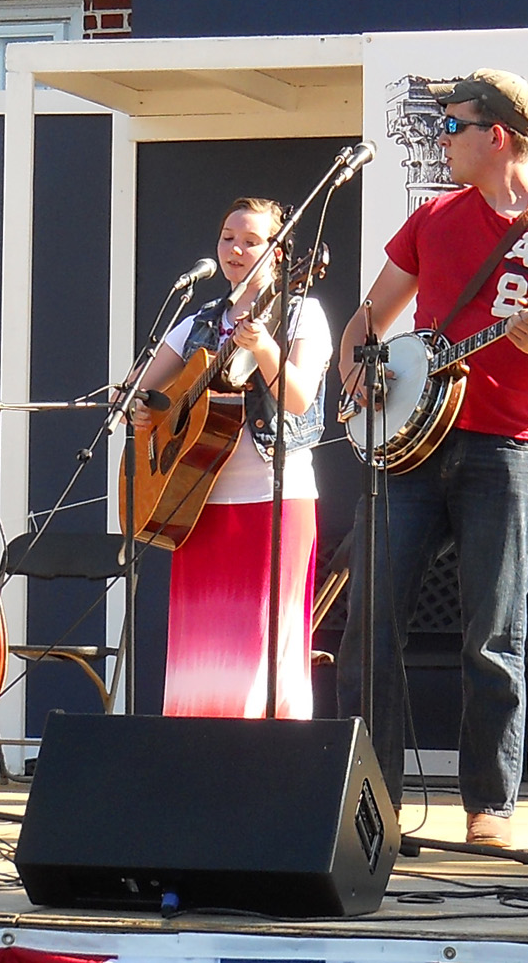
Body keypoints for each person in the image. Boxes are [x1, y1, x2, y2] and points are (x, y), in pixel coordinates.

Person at [335, 70, 528, 848]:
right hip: (412, 442)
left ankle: (489, 805)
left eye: (450, 126)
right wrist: (359, 371)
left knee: (492, 633)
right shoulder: (433, 219)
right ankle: (370, 807)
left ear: (497, 134)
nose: (440, 140)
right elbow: (369, 317)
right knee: (369, 625)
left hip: (509, 448)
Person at [136, 198, 332, 719]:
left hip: (271, 499)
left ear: (280, 252)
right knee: (201, 651)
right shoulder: (197, 322)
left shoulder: (301, 312)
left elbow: (299, 398)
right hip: (196, 503)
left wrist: (265, 347)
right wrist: (144, 414)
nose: (235, 250)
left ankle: (269, 765)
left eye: (251, 240)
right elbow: (142, 393)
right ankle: (200, 761)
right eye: (228, 237)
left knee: (266, 646)